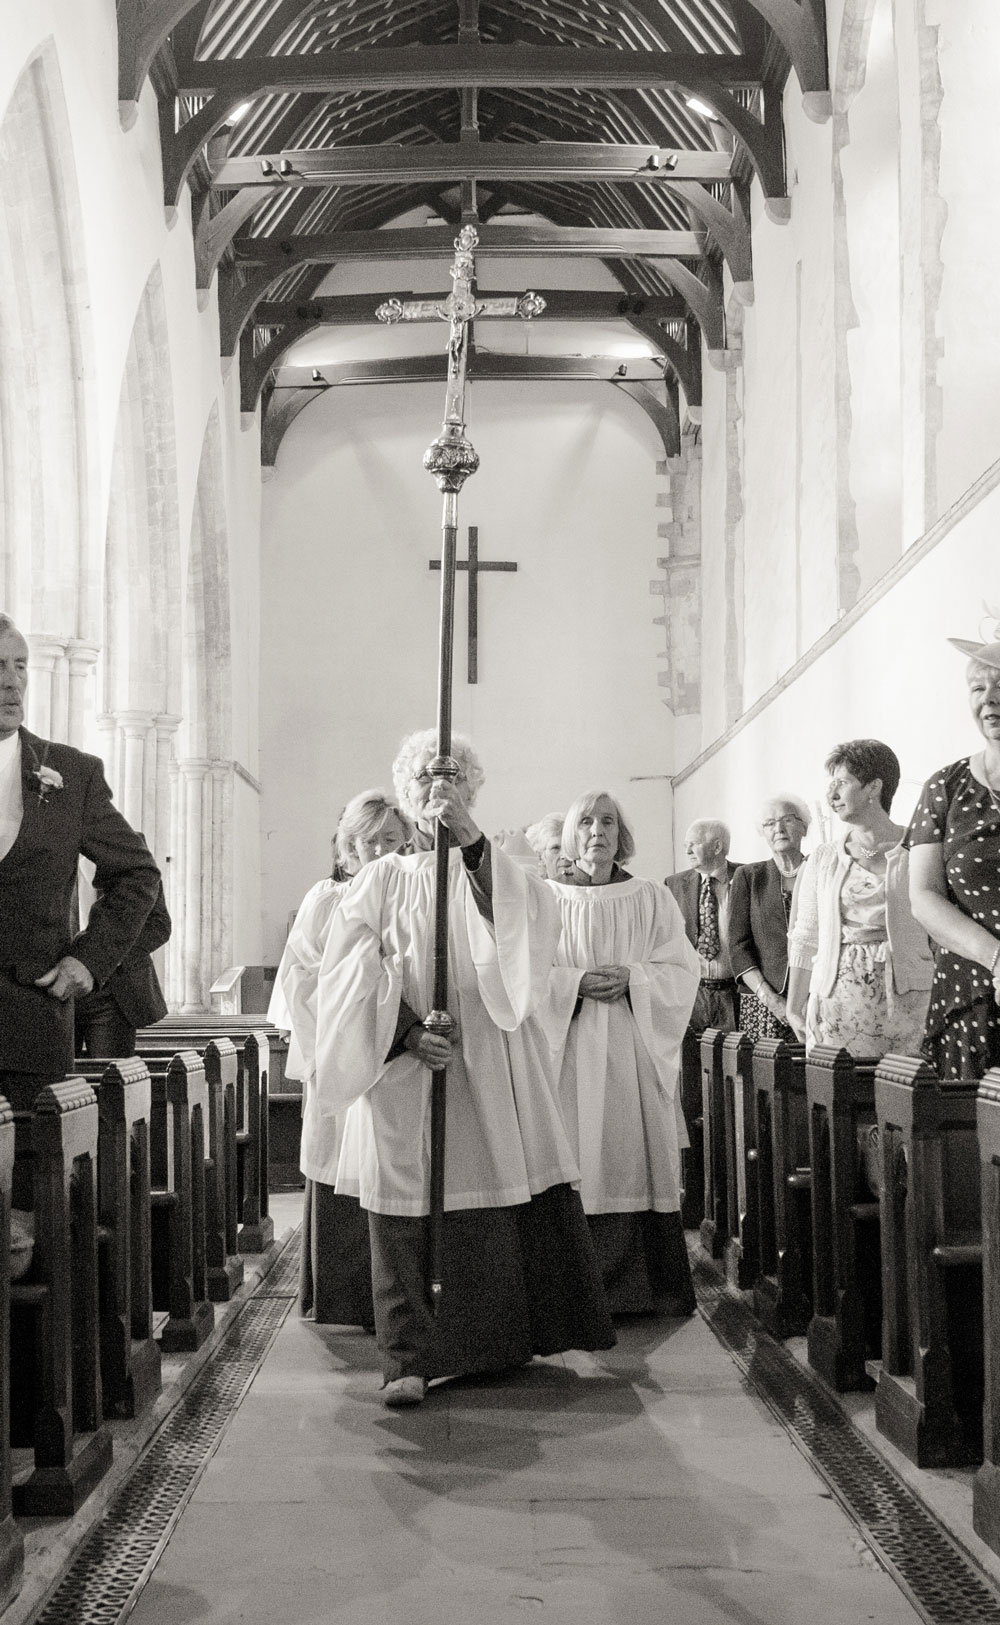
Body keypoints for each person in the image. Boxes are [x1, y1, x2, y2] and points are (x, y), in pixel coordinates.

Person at [313, 729, 614, 1408]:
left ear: (470, 789)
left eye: (449, 776)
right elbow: (345, 973)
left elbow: (529, 928)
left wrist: (473, 842)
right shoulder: (380, 878)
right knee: (399, 1201)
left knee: (490, 1184)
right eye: (422, 776)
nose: (435, 787)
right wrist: (408, 1032)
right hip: (404, 1068)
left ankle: (490, 1343)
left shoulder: (500, 868)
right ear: (404, 789)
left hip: (487, 1055)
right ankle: (406, 1357)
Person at [544, 792, 700, 1313]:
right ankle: (568, 1292)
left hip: (632, 1049)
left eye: (608, 821)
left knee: (627, 1153)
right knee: (571, 1157)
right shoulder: (545, 899)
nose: (597, 831)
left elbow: (682, 969)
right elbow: (519, 976)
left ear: (621, 833)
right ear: (570, 834)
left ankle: (636, 1290)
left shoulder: (651, 897)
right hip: (564, 1049)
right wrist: (572, 984)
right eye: (585, 820)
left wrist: (633, 977)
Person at [0, 614, 162, 1107]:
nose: (11, 681)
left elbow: (137, 873)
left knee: (29, 1179)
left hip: (31, 1027)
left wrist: (89, 959)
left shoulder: (70, 772)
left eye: (21, 665)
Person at [268, 791, 411, 1322]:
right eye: (368, 841)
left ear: (408, 842)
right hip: (341, 1048)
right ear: (349, 848)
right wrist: (349, 1031)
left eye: (390, 840)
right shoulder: (328, 898)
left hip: (400, 1057)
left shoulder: (413, 892)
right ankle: (346, 1295)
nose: (379, 850)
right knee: (340, 1158)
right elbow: (301, 977)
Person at [786, 739, 933, 1057]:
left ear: (873, 787)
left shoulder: (919, 850)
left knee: (905, 1099)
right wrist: (794, 1004)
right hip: (837, 1003)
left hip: (908, 1003)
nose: (831, 794)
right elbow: (805, 936)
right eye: (830, 784)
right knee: (840, 1098)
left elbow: (938, 926)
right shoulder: (823, 858)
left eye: (842, 782)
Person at [906, 637, 1000, 1079]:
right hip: (970, 996)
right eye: (978, 688)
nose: (990, 699)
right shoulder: (945, 786)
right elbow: (924, 896)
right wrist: (996, 958)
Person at [728, 795, 810, 1041]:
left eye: (788, 819)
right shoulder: (749, 876)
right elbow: (737, 947)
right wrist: (770, 999)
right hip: (763, 1003)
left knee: (819, 1075)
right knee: (766, 1077)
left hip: (814, 999)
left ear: (804, 827)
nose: (779, 829)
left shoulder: (821, 869)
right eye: (770, 823)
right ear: (762, 832)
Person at [75, 878, 171, 1056]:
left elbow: (159, 926)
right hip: (47, 984)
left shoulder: (131, 861)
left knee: (109, 1075)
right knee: (55, 1080)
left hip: (112, 990)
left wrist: (109, 955)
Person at [665, 819, 742, 1032]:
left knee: (736, 1061)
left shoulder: (747, 877)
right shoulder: (673, 885)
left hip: (734, 993)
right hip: (692, 994)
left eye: (694, 843)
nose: (687, 850)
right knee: (692, 1061)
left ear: (717, 847)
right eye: (685, 845)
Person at [524, 812, 569, 880]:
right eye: (555, 848)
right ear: (540, 857)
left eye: (568, 846)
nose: (564, 855)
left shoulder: (587, 888)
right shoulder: (536, 889)